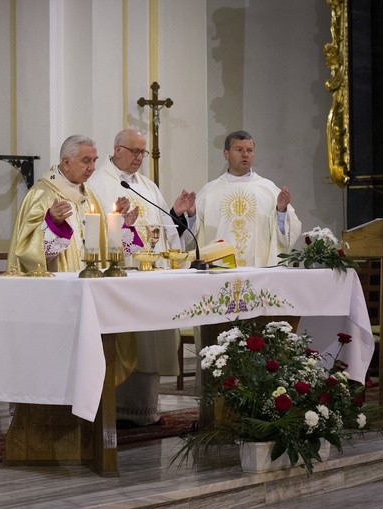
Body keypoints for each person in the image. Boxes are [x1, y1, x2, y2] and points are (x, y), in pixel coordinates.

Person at [7, 134, 142, 386]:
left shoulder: (88, 196)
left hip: (92, 289)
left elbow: (104, 246)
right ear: (65, 162)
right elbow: (27, 253)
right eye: (85, 161)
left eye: (94, 160)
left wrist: (120, 224)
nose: (92, 167)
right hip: (58, 297)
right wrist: (52, 224)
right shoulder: (42, 194)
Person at [88, 128, 193, 428]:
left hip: (150, 278)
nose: (138, 158)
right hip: (120, 278)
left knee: (151, 341)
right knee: (125, 341)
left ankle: (146, 409)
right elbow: (92, 233)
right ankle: (117, 408)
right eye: (133, 151)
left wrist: (175, 213)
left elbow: (162, 230)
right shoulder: (98, 184)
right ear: (116, 149)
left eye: (142, 153)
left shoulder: (147, 186)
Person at [187, 130, 301, 267]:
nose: (245, 154)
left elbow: (287, 235)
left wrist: (281, 211)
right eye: (239, 150)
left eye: (249, 150)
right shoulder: (210, 191)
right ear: (226, 154)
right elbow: (193, 234)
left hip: (258, 269)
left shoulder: (267, 189)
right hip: (218, 269)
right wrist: (192, 215)